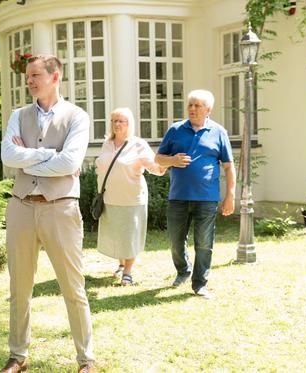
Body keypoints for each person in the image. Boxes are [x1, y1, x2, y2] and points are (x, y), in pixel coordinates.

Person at [0, 54, 95, 373]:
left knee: (72, 286)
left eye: (36, 75)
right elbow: (7, 156)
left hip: (60, 208)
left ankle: (86, 359)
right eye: (28, 76)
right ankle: (18, 356)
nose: (30, 81)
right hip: (21, 206)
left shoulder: (77, 116)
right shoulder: (19, 115)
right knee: (19, 288)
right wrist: (46, 155)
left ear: (56, 77)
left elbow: (70, 163)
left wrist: (27, 159)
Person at [155, 89, 236, 299]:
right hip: (178, 197)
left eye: (197, 105)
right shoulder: (175, 130)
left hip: (207, 198)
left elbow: (228, 166)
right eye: (190, 104)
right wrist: (172, 160)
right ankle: (183, 270)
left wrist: (230, 195)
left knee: (204, 243)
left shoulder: (219, 132)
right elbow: (158, 158)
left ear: (208, 109)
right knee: (175, 240)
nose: (192, 108)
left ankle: (200, 283)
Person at [95, 107, 167, 286]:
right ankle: (121, 264)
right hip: (110, 198)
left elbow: (155, 167)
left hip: (131, 199)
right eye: (114, 121)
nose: (117, 124)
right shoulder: (107, 143)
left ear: (129, 124)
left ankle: (127, 271)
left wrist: (166, 164)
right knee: (117, 234)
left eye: (121, 121)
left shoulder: (138, 144)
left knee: (130, 235)